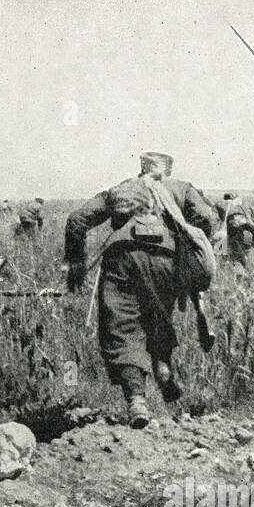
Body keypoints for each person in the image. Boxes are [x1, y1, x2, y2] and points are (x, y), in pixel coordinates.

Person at [64, 152, 216, 428]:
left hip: (123, 259)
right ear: (166, 170)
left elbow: (77, 220)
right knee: (158, 319)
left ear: (141, 168)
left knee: (121, 327)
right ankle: (163, 368)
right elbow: (206, 218)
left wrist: (76, 263)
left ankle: (137, 400)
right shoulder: (181, 189)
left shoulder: (122, 189)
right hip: (165, 261)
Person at [214, 193, 254, 269]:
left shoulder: (223, 205)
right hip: (244, 224)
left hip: (232, 227)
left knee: (221, 248)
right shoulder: (238, 205)